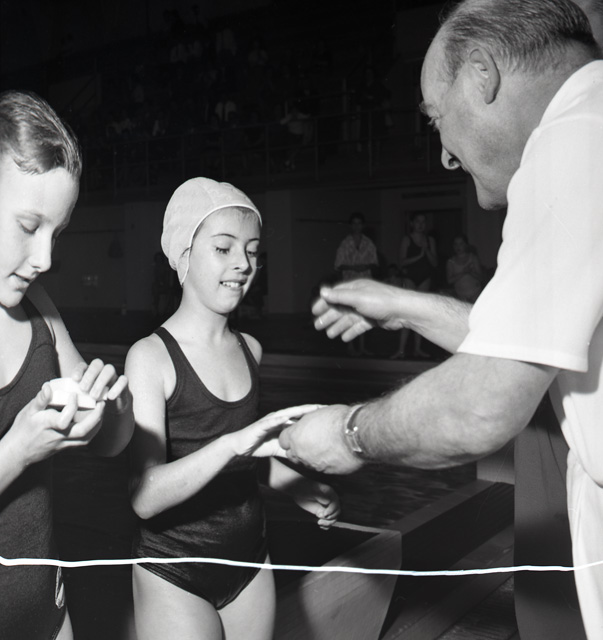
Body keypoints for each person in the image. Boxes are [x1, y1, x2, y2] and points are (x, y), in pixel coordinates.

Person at [279, 1, 603, 638]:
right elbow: (526, 345)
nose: (448, 158)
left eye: (436, 118)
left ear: (482, 74)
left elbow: (484, 403)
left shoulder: (572, 139)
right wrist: (405, 305)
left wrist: (347, 433)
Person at [125, 178, 340, 640]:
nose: (243, 263)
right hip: (174, 572)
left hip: (250, 561)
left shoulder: (250, 350)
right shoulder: (151, 357)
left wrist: (297, 485)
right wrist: (232, 444)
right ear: (184, 255)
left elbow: (247, 457)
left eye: (252, 251)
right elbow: (144, 497)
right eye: (223, 248)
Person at [0, 90, 134, 640]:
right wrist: (18, 449)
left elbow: (113, 443)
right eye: (29, 226)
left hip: (46, 608)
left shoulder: (40, 311)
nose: (46, 259)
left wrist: (111, 405)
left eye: (56, 234)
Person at [391, 212, 438, 358]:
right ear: (412, 223)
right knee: (407, 314)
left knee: (420, 315)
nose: (420, 225)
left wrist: (426, 250)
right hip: (410, 277)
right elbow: (401, 262)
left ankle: (418, 349)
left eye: (423, 222)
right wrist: (419, 255)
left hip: (424, 278)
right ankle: (401, 350)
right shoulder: (407, 239)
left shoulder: (430, 240)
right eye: (418, 221)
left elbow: (435, 263)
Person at [334, 212, 378, 356]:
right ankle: (351, 346)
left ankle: (362, 346)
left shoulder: (368, 243)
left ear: (363, 225)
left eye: (359, 223)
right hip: (350, 282)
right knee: (350, 314)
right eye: (354, 223)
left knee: (363, 314)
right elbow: (338, 264)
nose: (357, 226)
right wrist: (353, 267)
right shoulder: (345, 243)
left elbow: (374, 262)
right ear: (350, 225)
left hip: (364, 282)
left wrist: (365, 266)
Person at [446, 234, 482, 303]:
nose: (458, 247)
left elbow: (481, 277)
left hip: (476, 294)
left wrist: (470, 272)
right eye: (456, 244)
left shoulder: (473, 258)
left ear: (466, 245)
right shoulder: (450, 262)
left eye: (461, 244)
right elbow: (449, 280)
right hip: (461, 296)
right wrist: (463, 272)